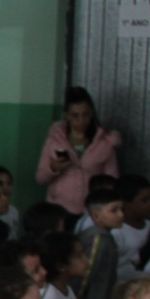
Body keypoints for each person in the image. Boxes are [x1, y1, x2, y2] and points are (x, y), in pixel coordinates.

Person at [35, 86, 121, 215]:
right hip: (58, 209)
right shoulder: (55, 140)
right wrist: (53, 168)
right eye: (75, 115)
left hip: (92, 211)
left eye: (85, 114)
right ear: (66, 115)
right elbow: (40, 178)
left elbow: (113, 180)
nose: (81, 120)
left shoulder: (104, 143)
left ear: (91, 112)